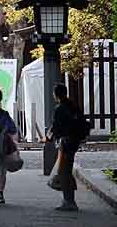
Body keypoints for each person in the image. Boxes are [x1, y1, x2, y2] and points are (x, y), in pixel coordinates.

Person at [47, 83, 82, 211]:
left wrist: (48, 137)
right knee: (66, 169)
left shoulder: (60, 108)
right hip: (74, 141)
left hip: (65, 142)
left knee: (63, 171)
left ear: (56, 95)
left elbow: (56, 126)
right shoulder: (73, 106)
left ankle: (69, 201)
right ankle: (69, 199)